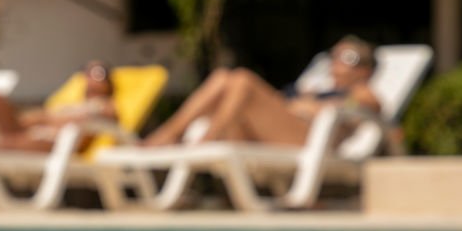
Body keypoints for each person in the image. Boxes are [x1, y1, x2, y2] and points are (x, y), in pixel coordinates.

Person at [143, 36, 380, 147]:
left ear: (366, 70)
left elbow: (366, 108)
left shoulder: (363, 92)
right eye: (335, 55)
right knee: (224, 77)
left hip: (310, 140)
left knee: (243, 80)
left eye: (349, 58)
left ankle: (202, 142)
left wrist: (313, 106)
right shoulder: (320, 88)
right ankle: (171, 134)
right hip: (281, 130)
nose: (337, 62)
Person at [0, 60, 117, 152]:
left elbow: (108, 119)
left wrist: (51, 120)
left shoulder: (107, 105)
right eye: (87, 71)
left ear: (109, 83)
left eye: (98, 72)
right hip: (28, 130)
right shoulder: (74, 102)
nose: (90, 77)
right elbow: (43, 117)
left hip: (56, 143)